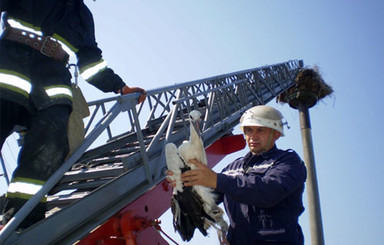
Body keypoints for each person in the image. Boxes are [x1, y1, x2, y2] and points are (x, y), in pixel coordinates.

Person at [0, 0, 146, 229]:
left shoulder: (82, 16)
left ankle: (20, 221)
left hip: (51, 89)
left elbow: (90, 63)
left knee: (49, 149)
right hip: (8, 70)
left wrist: (120, 87)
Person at [168, 105, 307, 244]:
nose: (253, 136)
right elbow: (208, 199)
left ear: (275, 134)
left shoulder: (288, 162)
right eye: (249, 130)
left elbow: (268, 192)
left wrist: (216, 180)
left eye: (260, 130)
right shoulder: (232, 168)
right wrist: (185, 184)